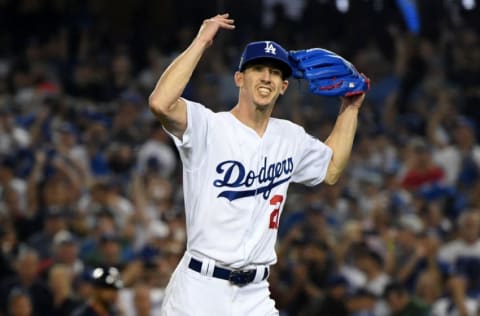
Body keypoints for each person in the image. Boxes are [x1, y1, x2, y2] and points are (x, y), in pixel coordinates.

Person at [148, 13, 365, 315]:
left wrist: (350, 107)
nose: (267, 77)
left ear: (284, 86)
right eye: (258, 69)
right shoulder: (209, 126)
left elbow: (331, 170)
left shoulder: (290, 136)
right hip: (201, 288)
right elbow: (161, 103)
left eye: (276, 73)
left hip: (255, 294)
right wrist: (201, 42)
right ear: (239, 78)